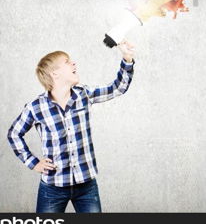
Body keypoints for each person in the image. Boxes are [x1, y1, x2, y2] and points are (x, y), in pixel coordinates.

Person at [7, 41, 135, 213]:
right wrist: (33, 163)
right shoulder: (36, 107)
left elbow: (118, 88)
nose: (74, 63)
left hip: (86, 185)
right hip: (53, 188)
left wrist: (127, 58)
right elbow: (14, 134)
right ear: (55, 73)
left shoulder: (84, 94)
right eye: (67, 61)